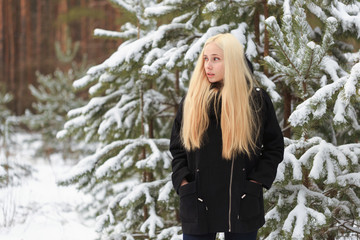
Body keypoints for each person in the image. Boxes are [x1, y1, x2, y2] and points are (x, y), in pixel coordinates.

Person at [169, 33, 284, 240]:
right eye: (205, 58)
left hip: (241, 202)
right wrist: (183, 182)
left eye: (216, 59)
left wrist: (255, 183)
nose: (208, 65)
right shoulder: (192, 100)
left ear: (231, 61)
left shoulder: (255, 100)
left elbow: (274, 147)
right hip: (197, 201)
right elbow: (177, 148)